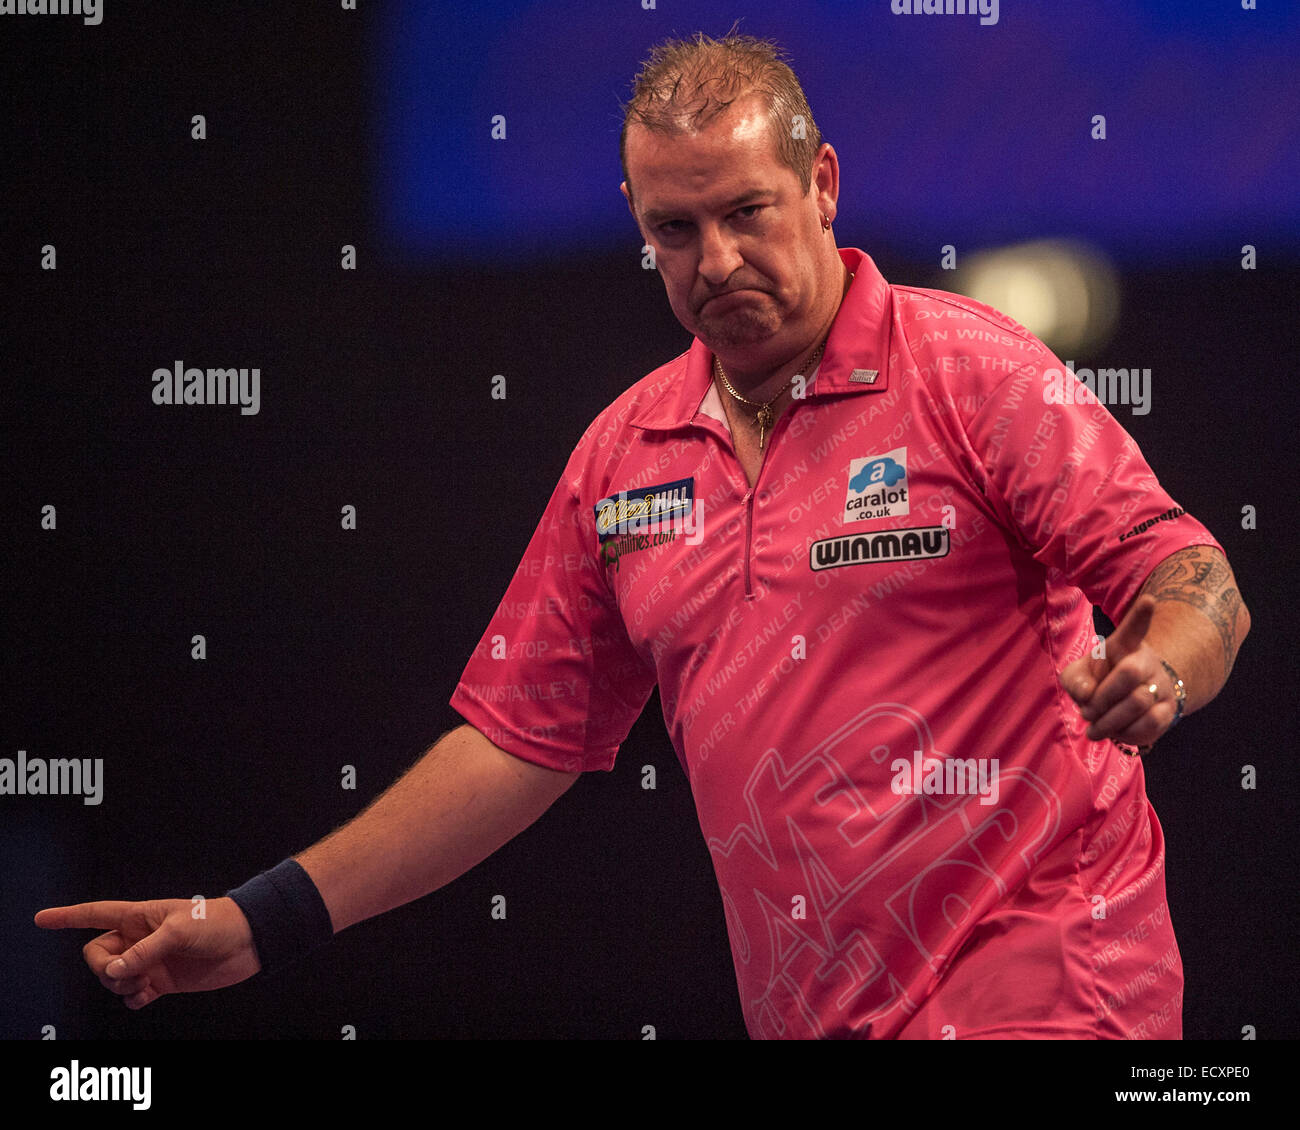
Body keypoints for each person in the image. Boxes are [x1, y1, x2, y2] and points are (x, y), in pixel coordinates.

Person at [36, 32, 1249, 1039]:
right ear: (637, 221)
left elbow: (1192, 575)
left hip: (1058, 989)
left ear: (822, 184)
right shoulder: (625, 459)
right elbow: (515, 743)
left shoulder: (969, 370)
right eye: (675, 230)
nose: (714, 261)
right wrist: (262, 918)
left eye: (746, 213)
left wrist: (1161, 668)